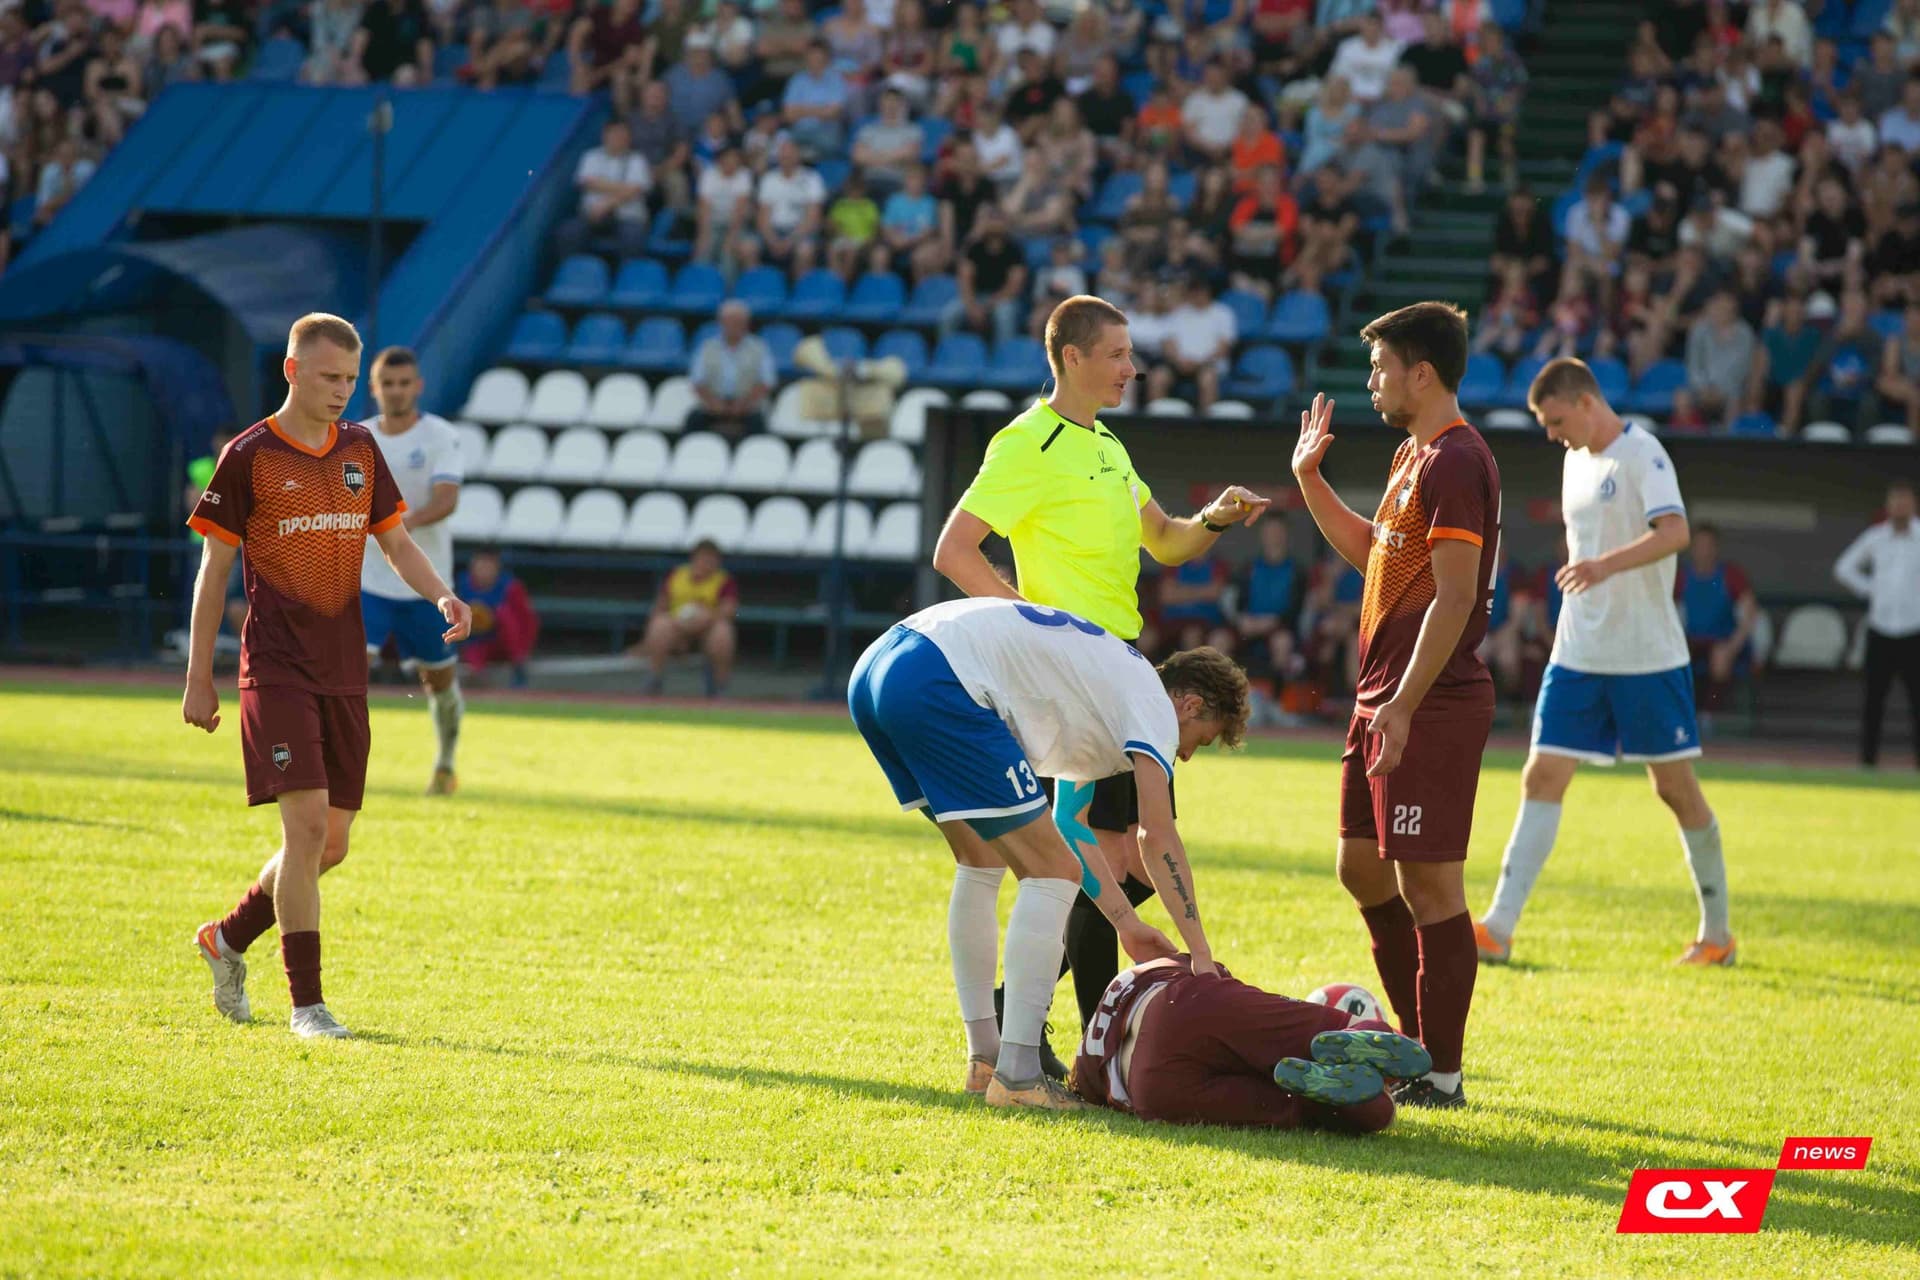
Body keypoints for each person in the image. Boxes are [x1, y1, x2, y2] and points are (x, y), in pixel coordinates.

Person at [932, 293, 1272, 1081]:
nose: (1133, 367)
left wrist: (1214, 519)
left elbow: (1166, 542)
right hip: (1071, 682)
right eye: (1118, 354)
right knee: (1095, 864)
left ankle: (1058, 1032)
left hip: (1116, 669)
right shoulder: (1027, 443)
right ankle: (1070, 1040)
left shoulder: (1111, 447)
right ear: (1072, 358)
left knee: (1108, 870)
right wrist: (1029, 633)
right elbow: (956, 550)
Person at [184, 314, 472, 1039]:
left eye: (350, 379)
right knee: (307, 826)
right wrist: (199, 675)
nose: (343, 391)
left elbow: (397, 541)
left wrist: (440, 592)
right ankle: (307, 1006)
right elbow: (214, 571)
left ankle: (225, 938)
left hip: (344, 669)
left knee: (328, 845)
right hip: (275, 668)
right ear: (292, 372)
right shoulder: (248, 456)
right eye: (329, 378)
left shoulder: (359, 448)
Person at [847, 596, 1249, 1110]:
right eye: (1202, 739)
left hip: (882, 667)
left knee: (983, 858)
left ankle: (986, 1059)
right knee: (1051, 872)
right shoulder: (1154, 706)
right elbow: (1156, 835)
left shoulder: (1108, 693)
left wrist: (1124, 922)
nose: (1188, 754)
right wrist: (1202, 956)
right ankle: (1017, 1077)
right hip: (939, 675)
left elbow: (1070, 825)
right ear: (1190, 704)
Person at [1291, 301, 1499, 1110]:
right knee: (1361, 868)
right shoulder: (1412, 456)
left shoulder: (1456, 461)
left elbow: (1453, 601)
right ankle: (1413, 1048)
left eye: (1380, 367)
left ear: (1422, 372)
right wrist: (1310, 479)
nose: (1371, 381)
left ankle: (1439, 1075)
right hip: (1381, 699)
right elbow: (1370, 555)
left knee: (1432, 890)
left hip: (1431, 702)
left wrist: (1406, 704)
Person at [1476, 358, 1737, 974]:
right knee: (1541, 776)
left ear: (1586, 402)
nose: (1551, 433)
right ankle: (1498, 928)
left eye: (1557, 419)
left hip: (1647, 656)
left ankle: (1718, 933)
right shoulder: (1573, 460)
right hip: (1579, 652)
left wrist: (1600, 567)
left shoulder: (1644, 453)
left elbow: (1674, 532)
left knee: (1674, 790)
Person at [1068, 955, 1433, 1129]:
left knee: (1328, 1109)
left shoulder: (1083, 1066)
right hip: (1181, 1006)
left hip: (1151, 1090)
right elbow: (1208, 970)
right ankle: (1361, 1033)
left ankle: (1377, 1104)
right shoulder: (1161, 965)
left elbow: (1080, 1090)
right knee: (1324, 1041)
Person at [359, 347, 467, 796]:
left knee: (438, 682)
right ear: (374, 388)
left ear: (418, 386)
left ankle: (445, 763)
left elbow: (446, 499)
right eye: (388, 383)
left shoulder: (440, 435)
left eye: (404, 383)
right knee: (348, 671)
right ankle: (333, 768)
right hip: (365, 580)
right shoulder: (356, 438)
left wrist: (397, 526)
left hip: (426, 584)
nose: (396, 391)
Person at [1834, 478, 1920, 768]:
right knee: (1873, 702)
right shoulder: (1876, 537)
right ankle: (1868, 764)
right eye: (1895, 500)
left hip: (1913, 631)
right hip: (1880, 629)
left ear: (1914, 505)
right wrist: (1870, 588)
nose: (1900, 506)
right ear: (1888, 505)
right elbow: (1844, 567)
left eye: (1905, 500)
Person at [634, 538, 737, 696]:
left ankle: (720, 686)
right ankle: (654, 679)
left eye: (711, 559)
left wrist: (706, 619)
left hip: (708, 626)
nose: (707, 563)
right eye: (703, 558)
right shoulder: (677, 575)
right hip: (677, 625)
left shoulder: (723, 580)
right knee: (659, 625)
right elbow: (660, 606)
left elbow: (729, 610)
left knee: (723, 632)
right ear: (694, 558)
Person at [1674, 523, 1759, 715]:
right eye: (1699, 545)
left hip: (1725, 640)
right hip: (1693, 640)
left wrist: (1733, 646)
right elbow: (1664, 610)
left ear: (1716, 548)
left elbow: (1750, 614)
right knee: (1677, 660)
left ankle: (1711, 715)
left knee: (1719, 657)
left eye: (1708, 545)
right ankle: (1684, 715)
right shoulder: (1682, 575)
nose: (1704, 551)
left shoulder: (1731, 574)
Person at [687, 300, 776, 438]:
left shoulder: (759, 348)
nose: (734, 326)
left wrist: (743, 404)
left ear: (746, 324)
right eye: (730, 321)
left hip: (748, 406)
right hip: (713, 404)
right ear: (721, 322)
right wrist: (714, 403)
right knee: (694, 420)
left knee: (758, 424)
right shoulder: (707, 348)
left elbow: (766, 382)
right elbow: (697, 382)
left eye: (738, 322)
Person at [458, 546, 539, 686]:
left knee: (504, 614)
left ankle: (518, 666)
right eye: (480, 566)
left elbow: (528, 621)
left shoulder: (510, 587)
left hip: (503, 641)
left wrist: (523, 650)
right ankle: (475, 675)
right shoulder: (462, 585)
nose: (484, 571)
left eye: (488, 566)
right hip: (475, 641)